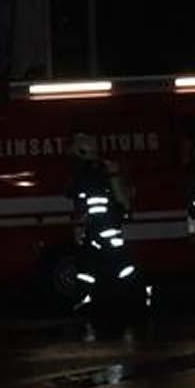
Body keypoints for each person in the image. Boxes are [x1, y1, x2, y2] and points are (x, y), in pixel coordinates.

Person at [69, 133, 146, 314]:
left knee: (100, 266)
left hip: (99, 227)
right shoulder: (102, 170)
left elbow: (75, 197)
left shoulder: (86, 173)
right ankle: (131, 299)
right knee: (116, 264)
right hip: (107, 226)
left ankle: (129, 300)